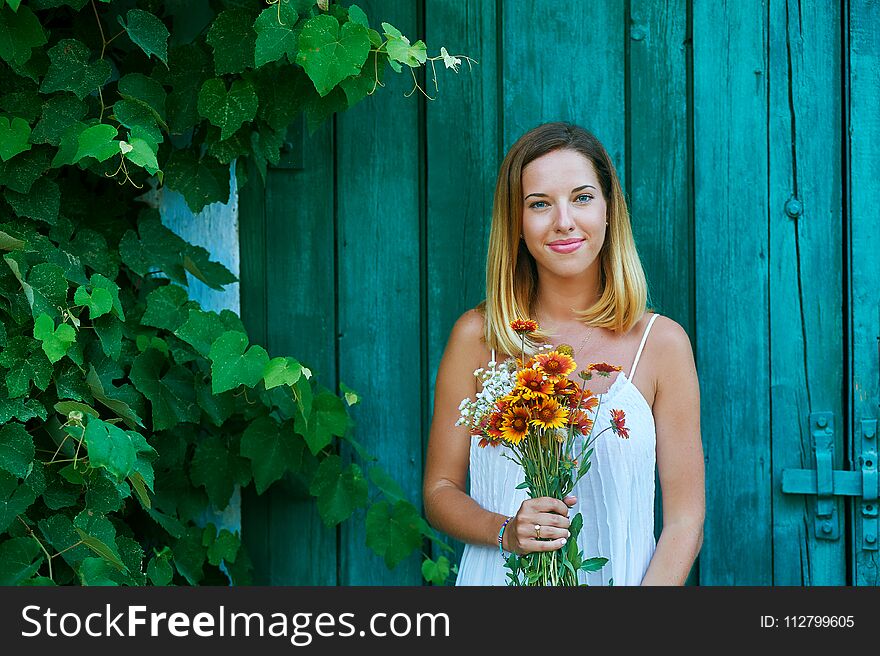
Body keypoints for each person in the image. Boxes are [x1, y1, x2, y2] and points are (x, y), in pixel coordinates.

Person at [423, 122, 705, 586]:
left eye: (582, 197)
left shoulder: (662, 345)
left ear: (610, 209)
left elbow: (685, 523)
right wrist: (506, 531)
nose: (564, 221)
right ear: (516, 224)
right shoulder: (478, 338)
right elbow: (439, 491)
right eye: (539, 204)